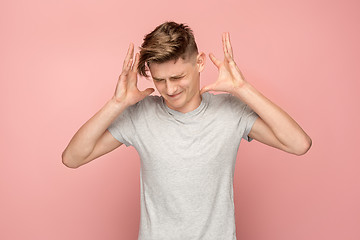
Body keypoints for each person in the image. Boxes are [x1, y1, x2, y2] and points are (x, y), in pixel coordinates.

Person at [62, 21, 311, 240]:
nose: (169, 89)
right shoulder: (140, 114)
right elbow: (73, 158)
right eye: (159, 80)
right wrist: (116, 104)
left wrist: (243, 89)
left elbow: (298, 144)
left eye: (178, 77)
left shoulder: (230, 111)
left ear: (199, 63)